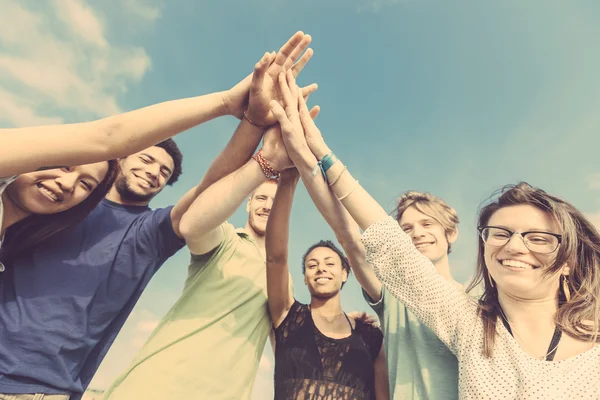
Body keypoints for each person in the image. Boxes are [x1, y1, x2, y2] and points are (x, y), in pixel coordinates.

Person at [0, 32, 315, 400]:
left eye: (164, 173)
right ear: (122, 158)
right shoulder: (50, 205)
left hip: (38, 388)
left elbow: (205, 194)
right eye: (146, 159)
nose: (153, 172)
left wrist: (251, 122)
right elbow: (107, 137)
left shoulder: (146, 232)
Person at [270, 71, 600, 399]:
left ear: (452, 233)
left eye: (428, 225)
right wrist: (311, 155)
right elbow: (361, 233)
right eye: (500, 233)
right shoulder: (436, 309)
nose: (515, 246)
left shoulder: (480, 310)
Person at [265, 167, 389, 399]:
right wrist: (288, 181)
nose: (321, 268)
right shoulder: (286, 316)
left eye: (330, 263)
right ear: (304, 277)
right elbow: (275, 257)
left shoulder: (370, 336)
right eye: (312, 265)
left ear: (345, 274)